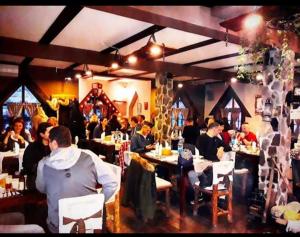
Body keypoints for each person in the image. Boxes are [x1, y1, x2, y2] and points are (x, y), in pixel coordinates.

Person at [35, 126, 118, 233]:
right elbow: (112, 183)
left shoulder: (43, 164)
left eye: (49, 142)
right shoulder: (89, 155)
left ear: (54, 143)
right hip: (92, 222)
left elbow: (41, 189)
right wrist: (97, 203)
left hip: (60, 226)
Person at [22, 122, 52, 191]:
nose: (53, 133)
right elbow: (27, 166)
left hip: (52, 178)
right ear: (42, 134)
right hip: (36, 179)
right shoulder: (32, 147)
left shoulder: (55, 146)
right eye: (50, 132)